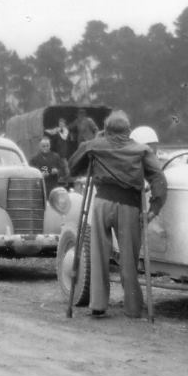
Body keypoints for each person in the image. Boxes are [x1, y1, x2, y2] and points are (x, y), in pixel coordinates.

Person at [68, 110, 167, 319]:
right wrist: (154, 209)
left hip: (102, 204)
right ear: (129, 130)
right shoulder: (142, 150)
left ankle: (98, 304)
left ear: (106, 129)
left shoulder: (94, 145)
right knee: (129, 258)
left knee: (98, 254)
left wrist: (95, 141)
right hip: (129, 206)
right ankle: (132, 308)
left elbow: (73, 166)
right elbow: (158, 179)